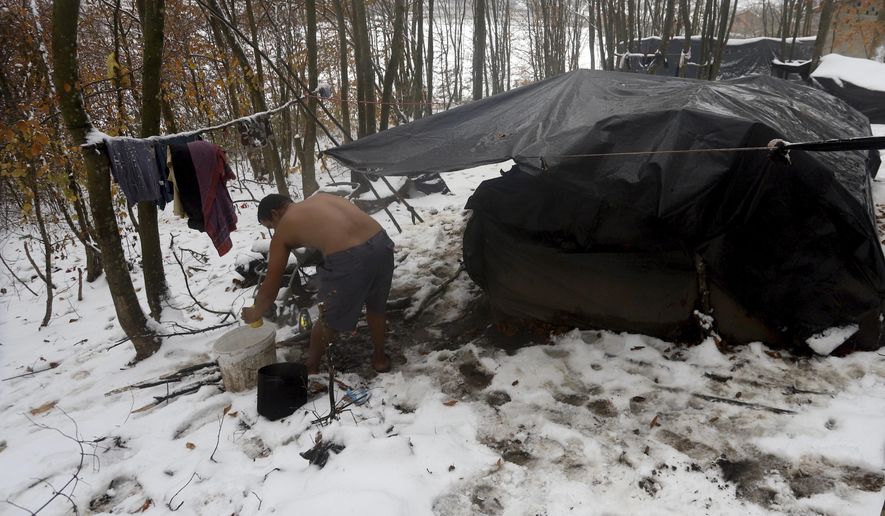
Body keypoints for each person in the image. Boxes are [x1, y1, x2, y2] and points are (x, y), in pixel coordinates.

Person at [241, 193, 395, 374]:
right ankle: (380, 359)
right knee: (376, 306)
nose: (274, 230)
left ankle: (311, 368)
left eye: (270, 226)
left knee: (327, 318)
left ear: (275, 213)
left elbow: (270, 286)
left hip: (351, 257)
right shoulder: (321, 198)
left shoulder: (283, 229)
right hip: (381, 244)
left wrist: (255, 312)